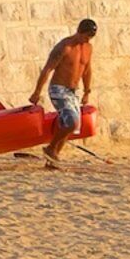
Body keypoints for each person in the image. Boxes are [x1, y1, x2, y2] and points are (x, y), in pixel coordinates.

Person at [30, 17, 97, 166]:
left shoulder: (88, 48)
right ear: (79, 31)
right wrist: (37, 92)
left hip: (73, 92)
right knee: (72, 122)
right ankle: (50, 148)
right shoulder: (64, 47)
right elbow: (47, 69)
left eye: (90, 37)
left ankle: (52, 160)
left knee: (70, 126)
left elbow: (87, 70)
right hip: (58, 90)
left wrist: (87, 91)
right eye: (86, 36)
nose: (87, 40)